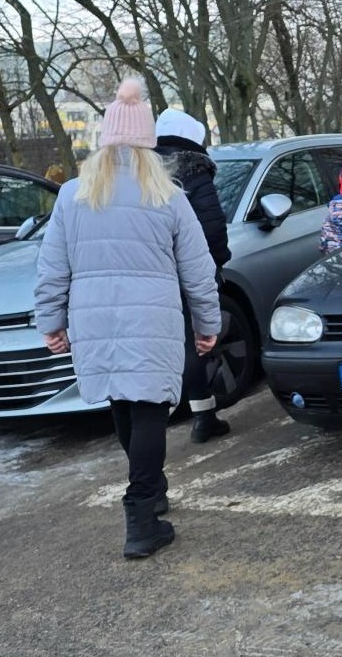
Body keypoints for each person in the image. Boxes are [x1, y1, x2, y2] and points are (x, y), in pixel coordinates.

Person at [34, 78, 220, 559]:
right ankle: (141, 514)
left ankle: (151, 492)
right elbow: (198, 271)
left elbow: (52, 267)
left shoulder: (74, 195)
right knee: (149, 412)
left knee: (122, 405)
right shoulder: (168, 195)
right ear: (148, 144)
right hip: (152, 321)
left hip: (94, 323)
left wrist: (51, 321)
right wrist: (207, 326)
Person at [154, 108, 232, 443]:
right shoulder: (195, 170)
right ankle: (203, 416)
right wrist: (217, 263)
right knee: (196, 342)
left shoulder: (141, 171)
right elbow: (212, 226)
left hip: (152, 272)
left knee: (161, 344)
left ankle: (157, 414)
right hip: (188, 269)